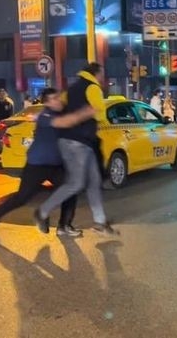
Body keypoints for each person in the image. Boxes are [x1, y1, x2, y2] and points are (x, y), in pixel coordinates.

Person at [0, 88, 95, 236]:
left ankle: (64, 226)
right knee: (22, 198)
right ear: (47, 103)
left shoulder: (61, 112)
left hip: (56, 165)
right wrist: (84, 113)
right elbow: (63, 123)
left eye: (58, 97)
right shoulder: (45, 116)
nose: (58, 100)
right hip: (37, 164)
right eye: (54, 99)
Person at [34, 63, 118, 236]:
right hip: (78, 142)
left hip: (74, 141)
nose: (102, 77)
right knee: (76, 183)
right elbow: (100, 113)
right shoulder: (93, 88)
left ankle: (100, 222)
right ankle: (42, 211)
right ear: (96, 73)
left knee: (93, 182)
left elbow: (60, 107)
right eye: (101, 74)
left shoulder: (70, 89)